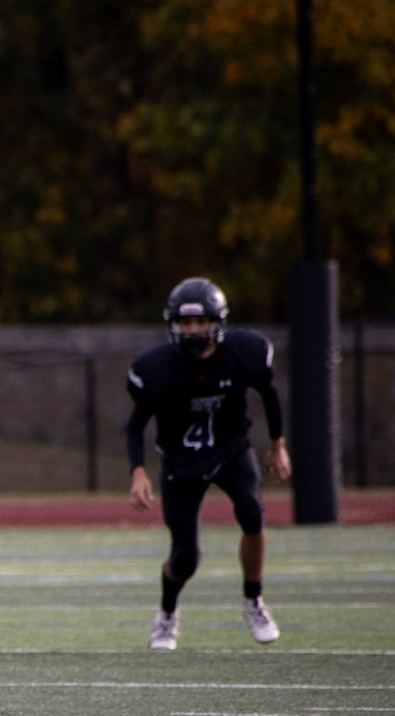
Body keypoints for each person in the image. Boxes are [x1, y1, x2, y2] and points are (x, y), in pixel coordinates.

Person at [125, 277, 292, 651]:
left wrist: (277, 445)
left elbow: (269, 393)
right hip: (182, 461)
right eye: (185, 324)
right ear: (173, 325)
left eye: (200, 322)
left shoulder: (243, 353)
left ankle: (253, 598)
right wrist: (137, 471)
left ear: (216, 322)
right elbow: (135, 424)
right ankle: (167, 614)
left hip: (231, 449)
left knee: (252, 514)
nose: (192, 330)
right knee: (185, 558)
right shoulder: (158, 368)